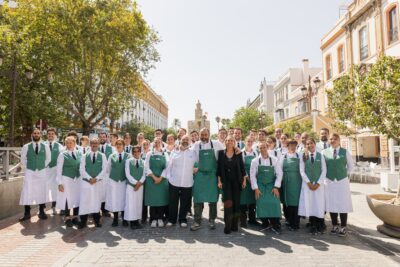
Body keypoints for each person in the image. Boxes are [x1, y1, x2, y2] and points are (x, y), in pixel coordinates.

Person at [191, 128, 224, 231]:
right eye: (202, 135)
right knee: (197, 198)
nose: (204, 137)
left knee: (213, 199)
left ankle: (212, 220)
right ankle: (197, 221)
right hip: (200, 175)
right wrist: (194, 167)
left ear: (209, 134)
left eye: (205, 134)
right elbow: (191, 159)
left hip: (212, 176)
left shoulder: (217, 144)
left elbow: (222, 159)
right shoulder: (196, 145)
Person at [323, 133, 353, 237]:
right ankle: (334, 225)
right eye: (331, 139)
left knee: (343, 203)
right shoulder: (324, 152)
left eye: (335, 139)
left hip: (342, 182)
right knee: (332, 203)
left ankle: (343, 226)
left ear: (339, 140)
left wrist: (344, 176)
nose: (333, 140)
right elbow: (323, 167)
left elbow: (351, 166)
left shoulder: (345, 152)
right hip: (329, 181)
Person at [19, 128, 51, 221]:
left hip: (41, 171)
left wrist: (41, 166)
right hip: (30, 171)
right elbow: (23, 159)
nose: (36, 134)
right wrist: (29, 167)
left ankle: (41, 212)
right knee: (27, 191)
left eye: (38, 133)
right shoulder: (26, 146)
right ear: (32, 135)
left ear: (40, 135)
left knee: (42, 190)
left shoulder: (45, 146)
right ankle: (27, 213)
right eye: (35, 133)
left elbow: (48, 159)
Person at [250, 142, 283, 234]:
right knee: (261, 203)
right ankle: (265, 223)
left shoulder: (274, 160)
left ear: (267, 147)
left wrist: (276, 187)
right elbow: (252, 176)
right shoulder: (255, 161)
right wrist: (256, 188)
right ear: (258, 149)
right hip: (260, 185)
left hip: (272, 185)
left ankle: (275, 223)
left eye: (264, 147)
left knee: (274, 203)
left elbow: (279, 174)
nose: (263, 149)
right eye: (261, 148)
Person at [165, 135, 196, 228]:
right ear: (180, 140)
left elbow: (198, 164)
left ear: (190, 141)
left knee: (185, 202)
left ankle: (183, 219)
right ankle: (172, 220)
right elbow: (169, 166)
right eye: (183, 139)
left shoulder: (193, 153)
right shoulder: (174, 151)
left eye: (187, 139)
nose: (185, 141)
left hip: (187, 182)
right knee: (173, 202)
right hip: (174, 182)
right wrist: (169, 178)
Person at [217, 136, 246, 234]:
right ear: (225, 142)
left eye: (231, 141)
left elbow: (242, 168)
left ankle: (235, 225)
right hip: (226, 182)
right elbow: (219, 169)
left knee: (236, 203)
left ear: (234, 142)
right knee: (228, 204)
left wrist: (244, 180)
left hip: (237, 181)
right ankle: (228, 226)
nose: (229, 142)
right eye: (228, 140)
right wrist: (219, 181)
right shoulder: (221, 153)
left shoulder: (238, 153)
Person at [299, 138, 327, 235]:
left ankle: (320, 224)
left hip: (319, 185)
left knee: (319, 203)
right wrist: (308, 182)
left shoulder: (321, 155)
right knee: (310, 203)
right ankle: (313, 224)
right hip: (308, 185)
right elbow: (302, 171)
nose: (310, 145)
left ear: (315, 144)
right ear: (305, 146)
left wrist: (318, 183)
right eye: (307, 144)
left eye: (311, 143)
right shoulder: (304, 156)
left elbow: (324, 170)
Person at [78, 138, 107, 229]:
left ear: (98, 144)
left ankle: (97, 221)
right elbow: (81, 169)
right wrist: (89, 178)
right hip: (86, 182)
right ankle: (83, 221)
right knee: (85, 201)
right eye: (93, 143)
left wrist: (97, 178)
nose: (94, 145)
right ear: (90, 144)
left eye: (96, 143)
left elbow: (104, 169)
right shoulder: (84, 156)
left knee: (96, 201)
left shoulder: (102, 156)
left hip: (97, 183)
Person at [56, 136, 82, 227]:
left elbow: (82, 166)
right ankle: (67, 218)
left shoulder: (80, 153)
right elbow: (58, 169)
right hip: (66, 178)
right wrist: (59, 183)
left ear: (75, 143)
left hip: (77, 179)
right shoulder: (62, 154)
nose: (69, 144)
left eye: (71, 142)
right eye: (67, 143)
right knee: (67, 198)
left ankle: (75, 217)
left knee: (76, 198)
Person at [144, 137, 169, 228]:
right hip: (151, 179)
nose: (157, 143)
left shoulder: (165, 154)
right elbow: (146, 166)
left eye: (159, 142)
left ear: (161, 143)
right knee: (153, 200)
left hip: (162, 180)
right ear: (153, 143)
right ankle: (153, 219)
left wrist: (160, 178)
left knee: (161, 200)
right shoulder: (149, 154)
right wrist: (154, 177)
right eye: (156, 142)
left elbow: (167, 167)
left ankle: (160, 218)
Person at [106, 139, 131, 227]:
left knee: (124, 200)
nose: (119, 145)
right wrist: (111, 178)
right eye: (117, 144)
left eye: (120, 144)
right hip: (114, 181)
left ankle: (124, 218)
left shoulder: (128, 156)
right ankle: (115, 218)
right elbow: (108, 169)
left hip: (124, 181)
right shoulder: (111, 156)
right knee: (115, 200)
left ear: (123, 145)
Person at [280, 139, 302, 231]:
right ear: (287, 146)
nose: (292, 147)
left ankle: (296, 222)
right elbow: (280, 170)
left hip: (297, 181)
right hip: (286, 181)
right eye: (291, 145)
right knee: (287, 202)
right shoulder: (283, 157)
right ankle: (288, 220)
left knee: (296, 202)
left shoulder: (300, 156)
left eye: (294, 145)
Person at [124, 145, 146, 229]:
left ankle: (137, 221)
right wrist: (135, 183)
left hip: (140, 186)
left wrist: (139, 183)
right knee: (131, 203)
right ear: (132, 153)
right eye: (134, 152)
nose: (136, 153)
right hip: (131, 186)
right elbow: (127, 174)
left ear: (140, 152)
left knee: (138, 203)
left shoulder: (143, 162)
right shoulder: (128, 161)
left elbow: (144, 174)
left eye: (138, 151)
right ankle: (132, 222)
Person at [239, 136, 258, 227]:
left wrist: (254, 178)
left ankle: (252, 219)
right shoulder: (241, 153)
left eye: (251, 141)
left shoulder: (255, 153)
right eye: (248, 141)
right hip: (244, 180)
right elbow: (241, 167)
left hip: (254, 178)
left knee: (252, 200)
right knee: (243, 200)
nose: (250, 142)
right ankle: (242, 220)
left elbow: (258, 165)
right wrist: (247, 178)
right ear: (245, 142)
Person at [44, 127, 64, 215]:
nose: (50, 135)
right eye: (49, 134)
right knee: (44, 188)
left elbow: (62, 158)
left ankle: (54, 206)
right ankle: (42, 207)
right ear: (47, 135)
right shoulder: (43, 144)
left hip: (55, 170)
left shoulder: (59, 146)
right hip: (45, 170)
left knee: (55, 189)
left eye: (52, 134)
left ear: (55, 135)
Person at [99, 132, 114, 217]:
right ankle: (95, 210)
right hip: (97, 173)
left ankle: (105, 210)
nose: (102, 138)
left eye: (103, 137)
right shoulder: (94, 147)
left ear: (106, 138)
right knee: (97, 191)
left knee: (105, 192)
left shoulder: (111, 148)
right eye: (100, 137)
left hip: (106, 174)